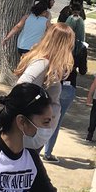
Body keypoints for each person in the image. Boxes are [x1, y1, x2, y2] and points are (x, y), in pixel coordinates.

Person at [16, 23, 76, 162]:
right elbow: (21, 87)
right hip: (34, 130)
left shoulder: (49, 63)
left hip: (39, 128)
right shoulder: (43, 63)